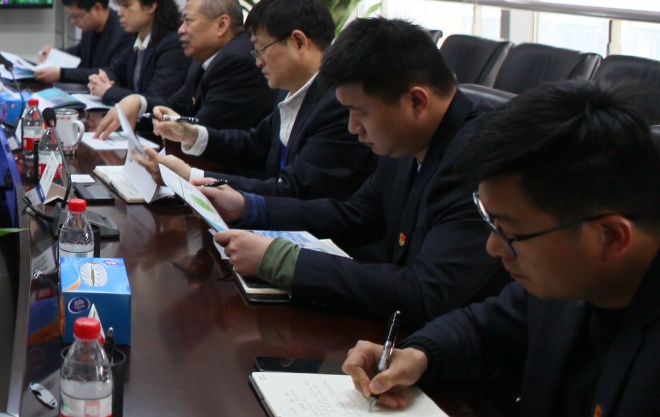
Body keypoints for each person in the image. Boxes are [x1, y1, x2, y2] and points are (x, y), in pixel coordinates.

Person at [295, 82, 660, 417]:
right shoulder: (571, 275)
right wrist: (419, 354)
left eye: (509, 232)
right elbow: (485, 325)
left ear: (611, 237)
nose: (492, 247)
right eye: (490, 222)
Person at [203, 17, 506, 327]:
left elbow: (426, 292)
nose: (352, 127)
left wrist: (283, 262)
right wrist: (248, 206)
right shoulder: (407, 138)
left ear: (416, 101)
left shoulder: (480, 161)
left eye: (359, 112)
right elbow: (355, 216)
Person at [139, 0, 375, 200]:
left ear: (298, 42)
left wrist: (192, 176)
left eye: (262, 49)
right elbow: (255, 145)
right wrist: (191, 134)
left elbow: (293, 190)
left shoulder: (338, 104)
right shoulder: (289, 90)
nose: (258, 62)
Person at [94, 0, 273, 138]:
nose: (181, 30)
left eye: (188, 21)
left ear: (221, 25)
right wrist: (138, 104)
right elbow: (178, 107)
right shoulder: (203, 57)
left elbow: (201, 130)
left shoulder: (235, 60)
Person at [87, 0, 190, 109]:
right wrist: (100, 80)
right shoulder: (137, 37)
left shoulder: (172, 45)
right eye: (120, 5)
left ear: (151, 6)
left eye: (126, 5)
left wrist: (108, 91)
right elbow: (115, 71)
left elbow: (156, 98)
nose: (120, 13)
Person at [32, 0, 130, 85]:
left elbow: (111, 73)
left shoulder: (123, 31)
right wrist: (52, 54)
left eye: (77, 16)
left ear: (97, 8)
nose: (73, 22)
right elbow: (79, 52)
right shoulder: (90, 29)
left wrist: (62, 74)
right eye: (71, 16)